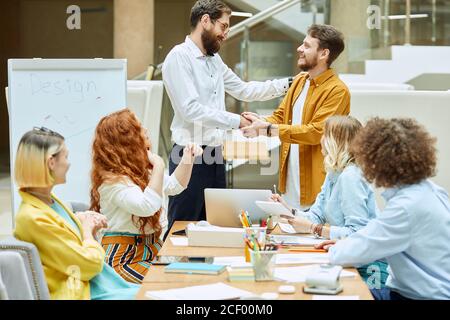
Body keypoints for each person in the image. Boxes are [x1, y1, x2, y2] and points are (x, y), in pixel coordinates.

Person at [162, 0, 294, 235]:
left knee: (215, 224)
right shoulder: (178, 57)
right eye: (223, 26)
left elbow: (244, 90)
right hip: (188, 155)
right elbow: (190, 109)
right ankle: (176, 270)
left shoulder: (214, 61)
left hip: (216, 154)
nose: (225, 33)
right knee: (183, 228)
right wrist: (237, 121)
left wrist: (289, 84)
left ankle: (208, 271)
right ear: (205, 21)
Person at [316, 118, 450, 300]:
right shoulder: (430, 192)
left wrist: (339, 248)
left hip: (417, 297)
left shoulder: (406, 207)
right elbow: (371, 234)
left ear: (377, 162)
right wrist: (345, 243)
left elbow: (360, 249)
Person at [13, 127, 139, 300]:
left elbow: (67, 243)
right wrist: (86, 230)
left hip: (99, 286)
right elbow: (88, 265)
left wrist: (82, 224)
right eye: (65, 157)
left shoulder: (49, 202)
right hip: (83, 293)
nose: (68, 163)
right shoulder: (32, 218)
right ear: (51, 162)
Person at [242, 24, 349, 211]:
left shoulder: (337, 91)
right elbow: (281, 116)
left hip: (317, 192)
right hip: (290, 188)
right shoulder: (300, 80)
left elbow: (316, 132)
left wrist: (267, 129)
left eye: (307, 46)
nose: (299, 49)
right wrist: (261, 121)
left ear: (324, 54)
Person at [271, 115, 388, 285]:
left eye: (325, 134)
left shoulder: (351, 177)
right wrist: (288, 209)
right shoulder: (334, 172)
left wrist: (314, 229)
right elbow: (315, 216)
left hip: (369, 266)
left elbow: (357, 232)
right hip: (349, 257)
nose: (321, 139)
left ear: (337, 141)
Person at [90, 109, 202, 284]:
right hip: (124, 259)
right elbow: (147, 206)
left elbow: (175, 186)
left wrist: (188, 157)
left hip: (151, 250)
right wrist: (158, 164)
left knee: (191, 277)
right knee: (178, 283)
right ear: (127, 140)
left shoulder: (139, 170)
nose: (146, 131)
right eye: (140, 128)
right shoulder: (112, 181)